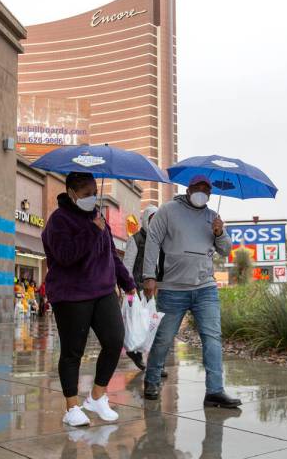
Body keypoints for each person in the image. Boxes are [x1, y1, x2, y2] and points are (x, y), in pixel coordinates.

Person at [42, 171, 137, 427]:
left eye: (94, 193)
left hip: (103, 291)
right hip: (71, 294)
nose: (92, 198)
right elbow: (64, 256)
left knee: (114, 339)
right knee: (73, 351)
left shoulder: (98, 217)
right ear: (72, 193)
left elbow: (111, 255)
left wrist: (127, 283)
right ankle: (72, 407)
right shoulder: (58, 221)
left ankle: (97, 396)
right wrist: (91, 233)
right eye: (86, 194)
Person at [142, 174, 241, 408]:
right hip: (172, 288)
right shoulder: (168, 210)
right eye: (198, 187)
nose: (202, 192)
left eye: (207, 190)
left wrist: (220, 232)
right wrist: (148, 276)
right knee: (164, 339)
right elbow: (153, 240)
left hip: (205, 288)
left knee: (212, 338)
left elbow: (225, 251)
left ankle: (215, 391)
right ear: (188, 189)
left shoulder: (212, 217)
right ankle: (152, 380)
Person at [121, 206, 159, 371]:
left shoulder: (159, 240)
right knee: (133, 321)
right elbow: (127, 265)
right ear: (145, 220)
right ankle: (134, 351)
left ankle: (152, 360)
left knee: (150, 324)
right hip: (134, 291)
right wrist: (128, 290)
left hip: (151, 292)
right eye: (152, 219)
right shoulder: (135, 239)